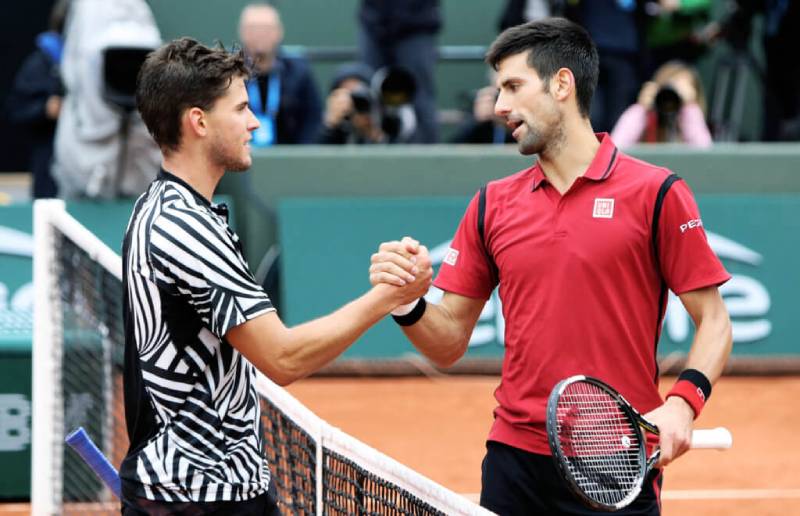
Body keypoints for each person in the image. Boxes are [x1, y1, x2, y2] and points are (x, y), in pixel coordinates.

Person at [369, 18, 732, 514]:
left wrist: (682, 403)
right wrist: (407, 300)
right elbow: (448, 340)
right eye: (499, 90)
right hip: (513, 459)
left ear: (562, 84)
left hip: (614, 459)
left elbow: (714, 320)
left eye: (514, 87)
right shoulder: (491, 204)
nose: (499, 107)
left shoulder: (657, 193)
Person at [120, 38, 424, 514]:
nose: (254, 122)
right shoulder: (186, 228)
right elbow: (283, 358)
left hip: (195, 488)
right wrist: (387, 298)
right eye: (240, 109)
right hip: (202, 496)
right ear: (198, 122)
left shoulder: (160, 208)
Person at [5, 0, 69, 199]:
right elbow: (15, 109)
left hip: (90, 171)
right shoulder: (40, 63)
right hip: (48, 169)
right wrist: (45, 109)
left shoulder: (96, 62)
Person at [358, 0, 441, 143]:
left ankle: (428, 157)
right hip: (373, 23)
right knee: (368, 96)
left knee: (420, 98)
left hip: (416, 24)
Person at [238, 3, 322, 145]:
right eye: (253, 28)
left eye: (267, 28)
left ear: (279, 32)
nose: (260, 34)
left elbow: (312, 122)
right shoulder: (230, 75)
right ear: (242, 32)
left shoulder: (300, 73)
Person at [611, 60, 712, 147]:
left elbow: (705, 155)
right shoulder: (644, 115)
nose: (671, 100)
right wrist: (641, 109)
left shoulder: (690, 113)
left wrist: (689, 109)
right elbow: (616, 149)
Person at [316, 62, 385, 144]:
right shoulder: (335, 128)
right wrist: (330, 126)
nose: (353, 101)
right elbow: (320, 153)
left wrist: (375, 133)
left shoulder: (382, 121)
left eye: (360, 93)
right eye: (346, 95)